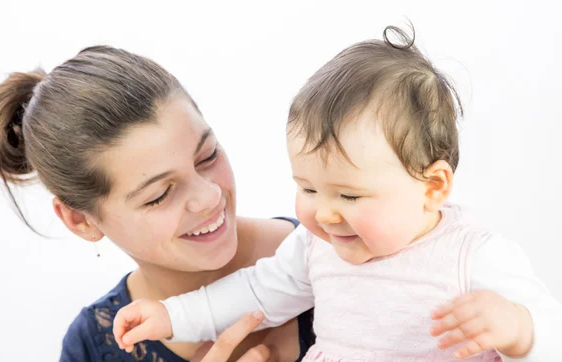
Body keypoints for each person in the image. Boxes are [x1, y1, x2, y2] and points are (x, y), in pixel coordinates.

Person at [112, 26, 562, 361]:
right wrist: (173, 316)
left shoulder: (471, 256)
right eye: (307, 188)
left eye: (349, 197)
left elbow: (552, 337)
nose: (323, 214)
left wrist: (519, 329)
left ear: (432, 187)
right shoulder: (315, 248)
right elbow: (255, 293)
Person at [0, 45, 314, 362]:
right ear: (80, 220)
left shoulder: (336, 251)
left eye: (207, 156)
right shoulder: (92, 349)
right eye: (160, 195)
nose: (209, 196)